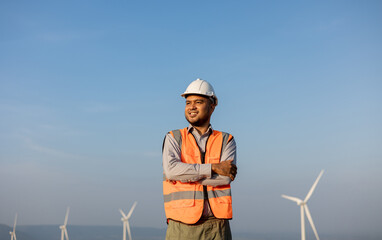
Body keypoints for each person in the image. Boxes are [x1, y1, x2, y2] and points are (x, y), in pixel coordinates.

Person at [162, 78, 237, 240]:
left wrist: (186, 176)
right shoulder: (173, 138)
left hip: (217, 227)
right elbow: (172, 171)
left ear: (212, 105)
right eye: (188, 103)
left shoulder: (226, 140)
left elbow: (224, 178)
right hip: (181, 226)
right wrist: (213, 168)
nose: (191, 107)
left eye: (198, 102)